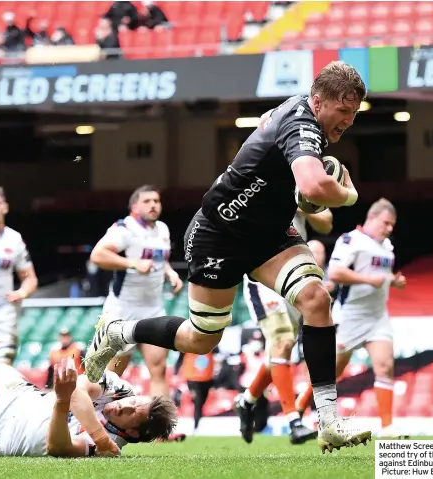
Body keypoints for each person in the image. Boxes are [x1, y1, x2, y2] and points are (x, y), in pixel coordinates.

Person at [84, 60, 370, 453]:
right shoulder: (303, 126)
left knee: (316, 299)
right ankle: (119, 331)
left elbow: (286, 163)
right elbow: (315, 186)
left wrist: (294, 192)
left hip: (268, 235)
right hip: (218, 234)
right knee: (201, 339)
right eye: (343, 111)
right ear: (318, 102)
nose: (349, 121)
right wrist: (347, 193)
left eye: (354, 114)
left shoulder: (298, 113)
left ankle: (328, 421)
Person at [236, 210, 333, 445]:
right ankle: (293, 422)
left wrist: (303, 207)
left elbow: (326, 223)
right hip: (262, 274)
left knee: (278, 355)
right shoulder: (252, 185)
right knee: (282, 342)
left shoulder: (303, 184)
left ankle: (246, 401)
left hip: (295, 275)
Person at [90, 184, 183, 398]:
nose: (153, 205)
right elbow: (97, 255)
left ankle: (162, 430)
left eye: (156, 201)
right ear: (134, 206)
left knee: (159, 371)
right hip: (122, 310)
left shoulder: (163, 229)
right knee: (111, 376)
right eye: (147, 201)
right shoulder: (124, 228)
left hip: (153, 309)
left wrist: (170, 273)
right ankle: (101, 425)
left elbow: (161, 260)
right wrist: (133, 263)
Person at [0, 359, 178, 457]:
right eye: (134, 402)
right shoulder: (123, 391)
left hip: (2, 437)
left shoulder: (111, 448)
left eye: (132, 413)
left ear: (133, 432)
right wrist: (100, 436)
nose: (125, 405)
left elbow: (58, 447)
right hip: (26, 399)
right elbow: (76, 389)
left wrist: (62, 404)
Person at [328, 198, 408, 439]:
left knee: (385, 367)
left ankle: (387, 428)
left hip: (377, 315)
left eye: (392, 225)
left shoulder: (387, 247)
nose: (390, 228)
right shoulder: (350, 239)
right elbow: (335, 272)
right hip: (351, 314)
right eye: (386, 223)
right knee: (333, 370)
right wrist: (367, 280)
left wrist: (394, 280)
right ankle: (302, 405)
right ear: (371, 218)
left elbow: (380, 274)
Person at [0, 186, 38, 385]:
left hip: (3, 313)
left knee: (1, 373)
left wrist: (22, 292)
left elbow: (30, 278)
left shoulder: (15, 239)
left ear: (5, 207)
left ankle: (0, 416)